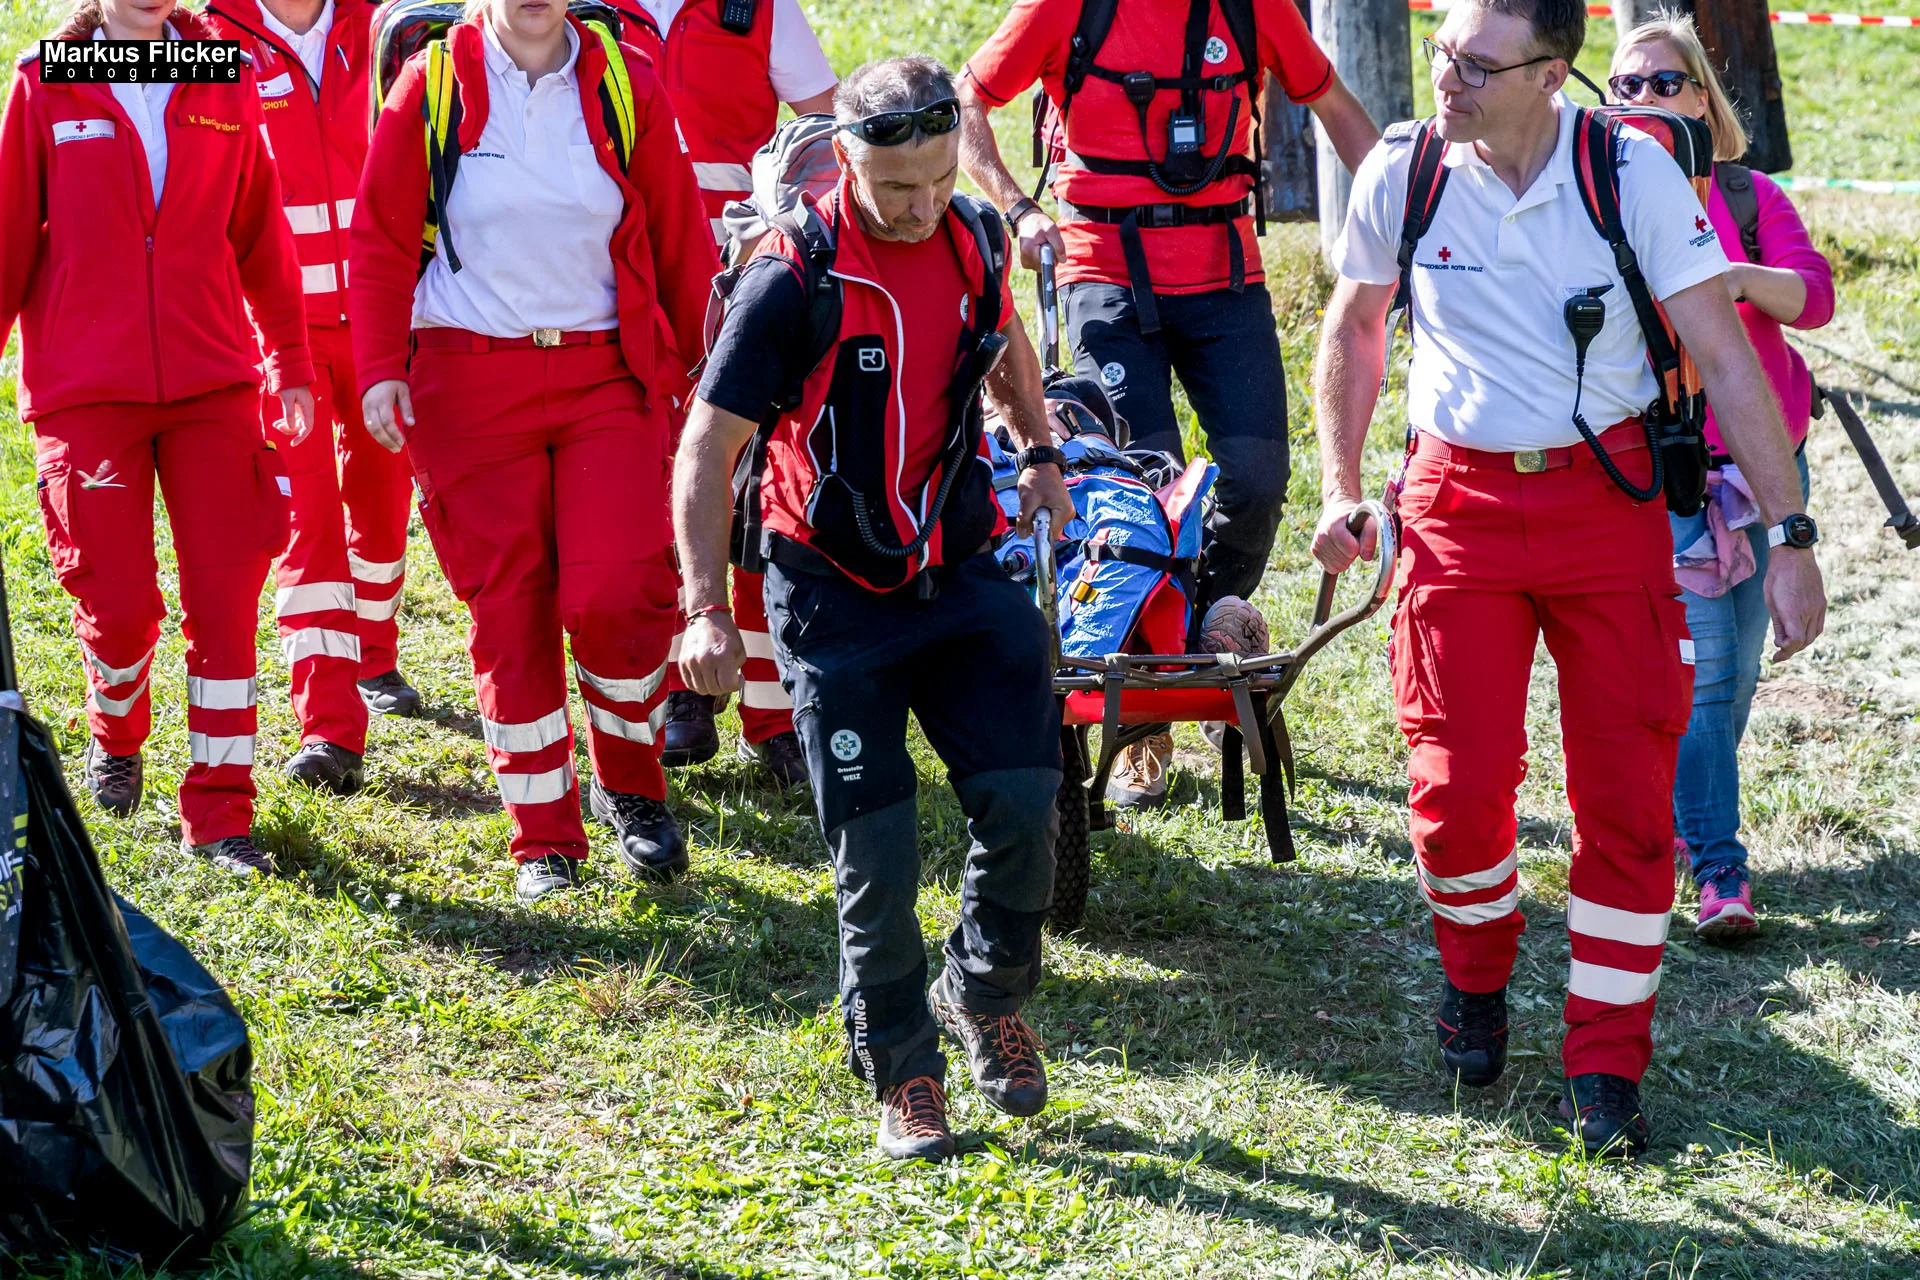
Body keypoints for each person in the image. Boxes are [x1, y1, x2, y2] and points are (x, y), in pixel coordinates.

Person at [1310, 0, 1826, 1155]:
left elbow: (1729, 354)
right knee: (1453, 793)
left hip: (1611, 498)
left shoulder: (1631, 173)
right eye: (1440, 52)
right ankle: (1477, 975)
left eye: (1477, 65)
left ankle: (1604, 1059)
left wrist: (1789, 534)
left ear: (1552, 74)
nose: (1445, 79)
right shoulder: (1404, 168)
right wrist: (1344, 486)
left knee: (1631, 809)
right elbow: (1352, 331)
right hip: (1457, 505)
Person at [674, 56, 1074, 1161]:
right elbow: (708, 445)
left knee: (1025, 800)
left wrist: (1038, 446)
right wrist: (707, 607)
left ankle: (983, 990)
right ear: (844, 160)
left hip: (957, 562)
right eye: (897, 187)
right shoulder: (790, 273)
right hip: (831, 594)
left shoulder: (977, 235)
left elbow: (1002, 344)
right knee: (879, 855)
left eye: (938, 178)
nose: (921, 204)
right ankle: (903, 1068)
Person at [956, 0, 1381, 808]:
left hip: (1226, 274)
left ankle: (1200, 649)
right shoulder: (1065, 7)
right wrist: (1019, 205)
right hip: (1103, 271)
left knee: (1255, 481)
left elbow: (1338, 111)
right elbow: (968, 98)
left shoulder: (1256, 8)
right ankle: (1146, 722)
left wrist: (1412, 212)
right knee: (1141, 498)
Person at [350, 0, 718, 901]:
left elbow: (680, 238)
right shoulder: (429, 83)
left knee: (619, 593)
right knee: (509, 609)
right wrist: (376, 370)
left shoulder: (627, 80)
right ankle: (543, 838)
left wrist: (716, 376)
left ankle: (632, 791)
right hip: (468, 383)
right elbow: (381, 241)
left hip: (608, 376)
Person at [1, 0, 316, 875]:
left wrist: (289, 359)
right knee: (120, 606)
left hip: (214, 380)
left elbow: (260, 231)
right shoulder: (42, 83)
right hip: (84, 390)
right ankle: (116, 726)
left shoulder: (225, 73)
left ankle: (222, 813)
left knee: (224, 606)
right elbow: (3, 244)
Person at [1610, 15, 1834, 942]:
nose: (1647, 100)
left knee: (1736, 674)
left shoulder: (1746, 193)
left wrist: (1730, 276)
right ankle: (1719, 868)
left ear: (1704, 99)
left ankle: (1674, 817)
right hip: (1671, 479)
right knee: (1703, 676)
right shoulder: (1596, 196)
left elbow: (1814, 296)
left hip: (1770, 469)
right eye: (1627, 86)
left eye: (1668, 84)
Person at [607, 0, 838, 787]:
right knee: (647, 476)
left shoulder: (760, 8)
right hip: (624, 271)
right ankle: (680, 687)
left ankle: (773, 718)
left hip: (749, 278)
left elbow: (826, 131)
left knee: (753, 483)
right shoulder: (581, 12)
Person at [203, 0, 425, 803]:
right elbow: (86, 72)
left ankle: (374, 650)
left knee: (378, 501)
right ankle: (328, 724)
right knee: (308, 526)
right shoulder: (206, 38)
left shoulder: (390, 26)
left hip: (380, 321)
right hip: (273, 336)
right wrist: (74, 41)